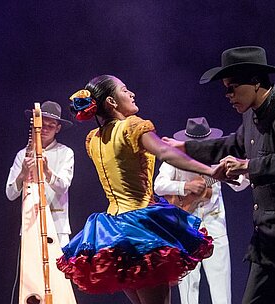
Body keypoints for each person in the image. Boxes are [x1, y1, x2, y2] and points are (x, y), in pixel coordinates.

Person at [163, 46, 275, 304]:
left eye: (232, 87)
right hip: (270, 235)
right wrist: (185, 147)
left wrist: (247, 166)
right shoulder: (253, 114)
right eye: (225, 89)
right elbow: (231, 144)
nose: (228, 95)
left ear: (255, 82)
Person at [56, 75, 232, 304]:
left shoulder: (94, 139)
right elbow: (166, 154)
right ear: (111, 101)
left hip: (111, 230)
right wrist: (210, 171)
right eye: (125, 90)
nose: (132, 94)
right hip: (140, 227)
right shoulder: (132, 126)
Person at [154, 117, 249, 304]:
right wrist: (185, 187)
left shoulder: (218, 158)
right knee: (189, 289)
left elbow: (238, 185)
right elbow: (159, 185)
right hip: (186, 228)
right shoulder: (176, 158)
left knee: (221, 289)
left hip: (215, 225)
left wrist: (247, 170)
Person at [6, 100, 74, 247]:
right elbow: (10, 194)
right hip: (30, 225)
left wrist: (47, 171)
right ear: (35, 125)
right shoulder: (22, 154)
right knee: (30, 269)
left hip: (58, 226)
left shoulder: (66, 152)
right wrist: (22, 174)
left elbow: (63, 187)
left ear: (58, 128)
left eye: (51, 126)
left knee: (59, 269)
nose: (45, 129)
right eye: (42, 124)